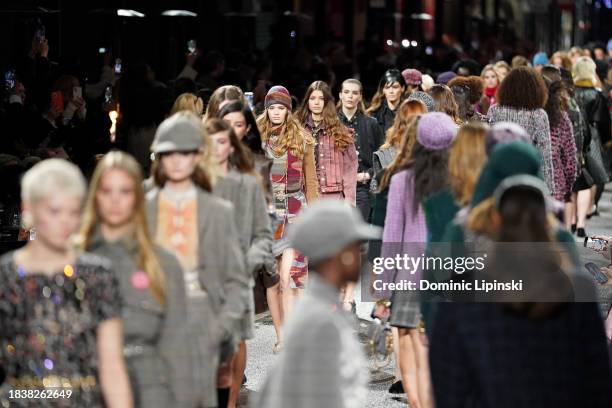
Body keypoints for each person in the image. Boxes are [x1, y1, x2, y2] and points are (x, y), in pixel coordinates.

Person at [429, 175, 612, 408]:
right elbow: (596, 377)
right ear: (547, 223)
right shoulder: (578, 286)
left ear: (495, 221)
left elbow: (448, 384)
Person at [0, 159, 133, 407]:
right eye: (54, 211)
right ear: (29, 208)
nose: (65, 222)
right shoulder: (5, 276)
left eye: (73, 212)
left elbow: (112, 365)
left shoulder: (98, 274)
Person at [147, 112, 249, 408]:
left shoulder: (219, 211)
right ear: (159, 156)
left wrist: (222, 327)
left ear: (197, 156)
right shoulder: (143, 205)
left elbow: (234, 278)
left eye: (185, 152)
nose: (177, 160)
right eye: (169, 152)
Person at [79, 151, 193, 408]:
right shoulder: (73, 262)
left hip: (153, 389)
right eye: (107, 191)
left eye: (125, 191)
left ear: (138, 198)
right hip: (88, 389)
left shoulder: (163, 264)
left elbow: (179, 347)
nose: (115, 200)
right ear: (95, 196)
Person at [253, 200, 380, 408]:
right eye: (355, 248)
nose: (361, 256)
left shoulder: (318, 312)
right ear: (338, 255)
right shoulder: (321, 323)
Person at [380, 112, 457, 408]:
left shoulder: (402, 179)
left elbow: (392, 238)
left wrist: (384, 290)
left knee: (411, 354)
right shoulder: (462, 180)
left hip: (409, 278)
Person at [205, 119, 277, 407]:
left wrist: (246, 265)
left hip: (236, 275)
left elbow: (263, 233)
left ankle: (231, 403)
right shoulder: (192, 181)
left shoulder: (247, 183)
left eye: (222, 141)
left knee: (234, 343)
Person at [256, 85, 318, 336]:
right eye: (273, 108)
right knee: (273, 281)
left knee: (290, 276)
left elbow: (311, 181)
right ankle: (281, 335)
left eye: (282, 108)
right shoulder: (256, 139)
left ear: (288, 111)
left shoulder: (302, 139)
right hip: (268, 214)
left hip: (296, 211)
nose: (277, 113)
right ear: (267, 110)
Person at [487, 67, 556, 196]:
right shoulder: (538, 115)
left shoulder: (494, 111)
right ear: (536, 89)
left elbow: (490, 146)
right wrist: (549, 190)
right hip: (528, 177)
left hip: (500, 175)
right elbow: (544, 153)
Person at [297, 81, 358, 203]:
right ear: (307, 101)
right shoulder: (298, 129)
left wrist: (349, 200)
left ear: (327, 102)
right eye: (312, 98)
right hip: (305, 194)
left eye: (321, 98)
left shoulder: (341, 132)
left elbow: (350, 168)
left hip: (333, 196)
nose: (316, 102)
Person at [337, 78, 384, 221]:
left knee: (358, 237)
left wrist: (367, 175)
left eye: (354, 93)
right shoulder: (330, 124)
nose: (350, 96)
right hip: (335, 189)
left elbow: (382, 158)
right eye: (346, 92)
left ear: (360, 97)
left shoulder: (371, 124)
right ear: (340, 95)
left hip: (362, 188)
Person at [573, 56, 611, 233]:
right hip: (592, 137)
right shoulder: (597, 95)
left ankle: (573, 217)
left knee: (573, 177)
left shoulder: (569, 91)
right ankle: (586, 212)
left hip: (573, 133)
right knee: (594, 175)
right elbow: (603, 121)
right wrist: (606, 141)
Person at [542, 77, 577, 202]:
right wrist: (568, 186)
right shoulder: (561, 118)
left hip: (523, 188)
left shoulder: (517, 117)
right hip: (555, 185)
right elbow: (570, 158)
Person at [366, 69, 407, 134]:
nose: (391, 91)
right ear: (383, 90)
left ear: (402, 88)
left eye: (395, 87)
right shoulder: (372, 114)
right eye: (387, 87)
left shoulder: (410, 112)